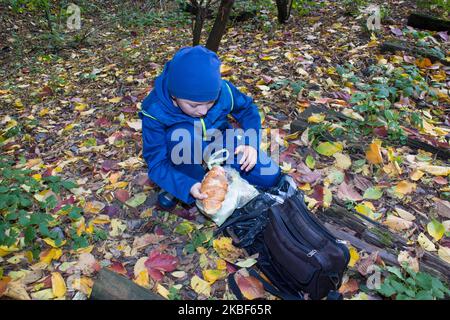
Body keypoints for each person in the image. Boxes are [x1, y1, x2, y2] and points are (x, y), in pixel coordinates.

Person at [139, 45, 281, 209]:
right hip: (182, 154)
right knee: (184, 137)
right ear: (174, 95)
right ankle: (181, 184)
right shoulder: (154, 109)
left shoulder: (224, 91)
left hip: (220, 143)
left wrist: (250, 143)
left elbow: (247, 109)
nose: (203, 111)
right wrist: (187, 185)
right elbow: (156, 162)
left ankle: (222, 173)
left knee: (271, 176)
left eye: (210, 102)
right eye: (194, 105)